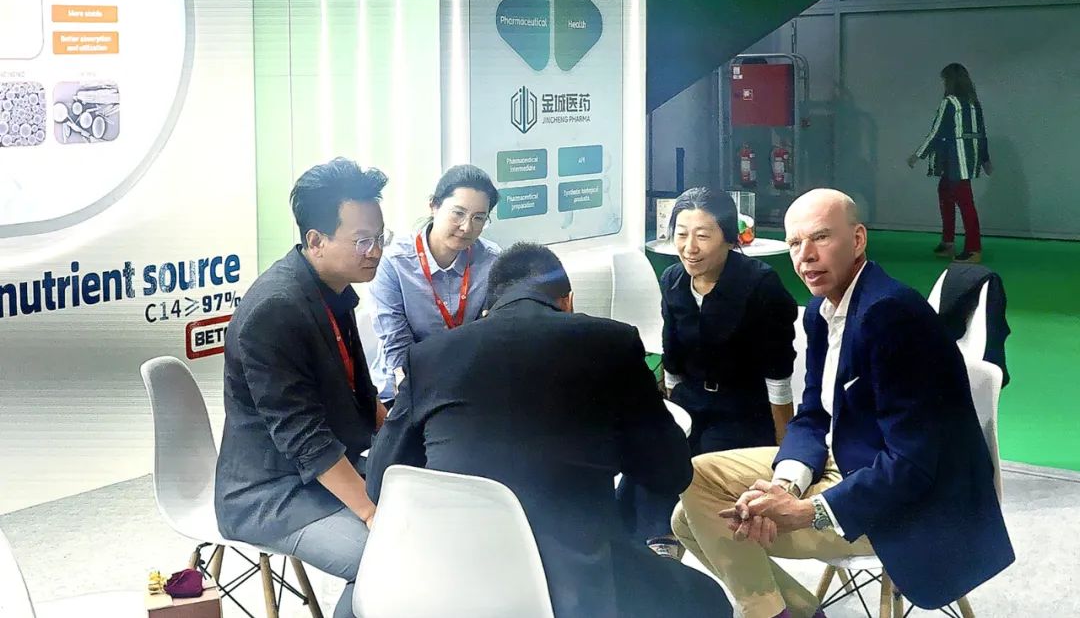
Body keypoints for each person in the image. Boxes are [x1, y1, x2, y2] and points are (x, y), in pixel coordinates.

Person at [671, 188, 1013, 618]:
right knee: (694, 486)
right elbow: (813, 415)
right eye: (795, 243)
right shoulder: (821, 310)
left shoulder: (891, 316)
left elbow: (912, 464)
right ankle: (794, 613)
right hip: (846, 456)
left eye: (820, 237)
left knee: (700, 521)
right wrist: (785, 485)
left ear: (858, 239)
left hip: (910, 498)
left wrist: (806, 511)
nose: (805, 256)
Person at [365, 243, 734, 618]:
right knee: (709, 598)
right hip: (580, 590)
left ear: (488, 307)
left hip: (450, 584)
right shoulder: (611, 342)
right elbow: (671, 472)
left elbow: (380, 481)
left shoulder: (428, 356)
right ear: (568, 301)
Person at [215, 158, 391, 618]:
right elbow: (303, 437)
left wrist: (397, 435)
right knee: (386, 562)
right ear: (316, 240)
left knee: (426, 520)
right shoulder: (275, 310)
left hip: (323, 469)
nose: (375, 251)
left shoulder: (332, 288)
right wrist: (370, 512)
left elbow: (360, 389)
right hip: (270, 491)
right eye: (362, 240)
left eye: (380, 237)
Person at [617, 186, 797, 559]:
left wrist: (785, 446)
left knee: (699, 469)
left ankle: (671, 543)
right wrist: (669, 412)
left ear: (729, 238)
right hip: (691, 400)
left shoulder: (760, 284)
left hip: (743, 409)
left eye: (702, 235)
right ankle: (639, 548)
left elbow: (778, 372)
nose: (689, 247)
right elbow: (672, 354)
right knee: (649, 454)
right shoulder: (673, 280)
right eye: (681, 234)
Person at [368, 164, 501, 401]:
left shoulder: (492, 261)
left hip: (465, 387)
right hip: (403, 389)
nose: (466, 227)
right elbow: (397, 348)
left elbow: (491, 334)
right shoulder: (393, 263)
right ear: (434, 205)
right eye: (458, 213)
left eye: (479, 218)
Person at [907, 62, 992, 264]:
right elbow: (982, 133)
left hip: (954, 160)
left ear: (949, 81)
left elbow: (937, 132)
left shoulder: (950, 103)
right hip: (967, 160)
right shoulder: (973, 103)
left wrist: (918, 155)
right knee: (947, 194)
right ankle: (948, 242)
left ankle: (973, 248)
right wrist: (985, 159)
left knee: (964, 203)